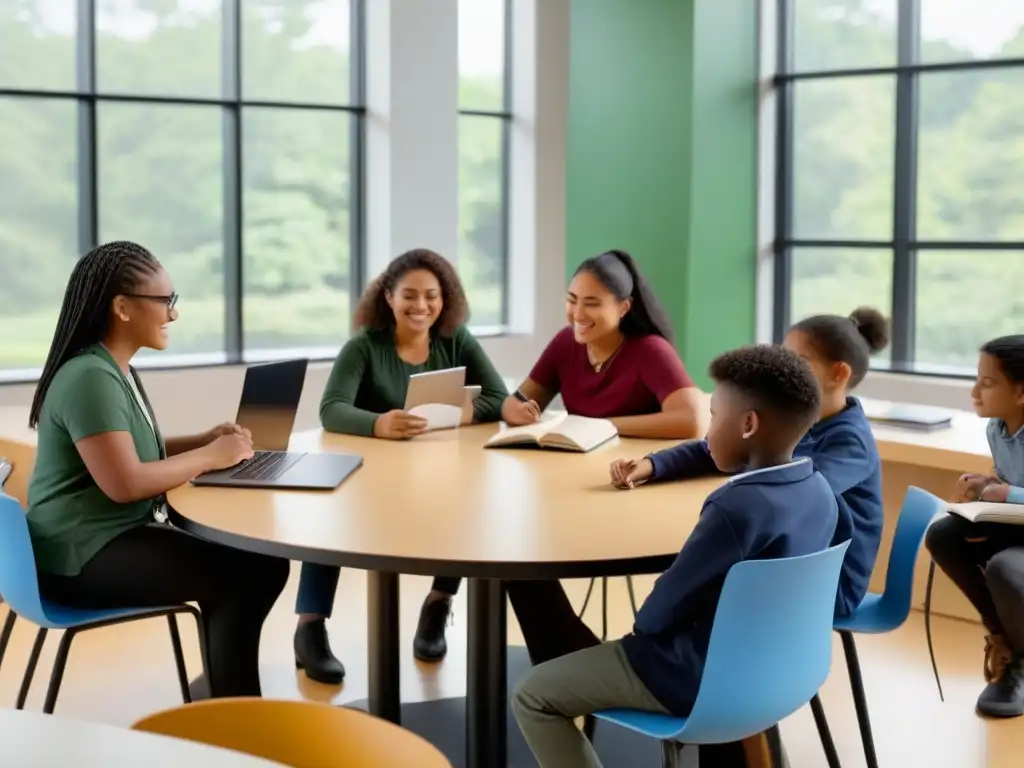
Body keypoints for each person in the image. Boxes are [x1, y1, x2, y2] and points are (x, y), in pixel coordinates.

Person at [511, 344, 838, 768]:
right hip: (779, 671)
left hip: (692, 677)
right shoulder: (819, 492)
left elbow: (654, 617)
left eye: (716, 415)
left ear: (748, 424)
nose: (707, 430)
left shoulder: (733, 509)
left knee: (533, 694)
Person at [26, 241, 289, 698]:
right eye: (165, 301)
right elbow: (125, 483)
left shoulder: (112, 368)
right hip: (79, 559)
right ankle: (235, 705)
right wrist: (211, 457)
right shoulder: (91, 377)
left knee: (258, 566)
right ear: (122, 307)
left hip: (93, 540)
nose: (173, 315)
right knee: (252, 572)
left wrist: (202, 441)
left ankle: (226, 693)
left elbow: (128, 452)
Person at [294, 248, 508, 682]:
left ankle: (437, 605)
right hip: (370, 478)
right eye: (409, 295)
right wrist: (378, 423)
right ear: (388, 297)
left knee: (468, 508)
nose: (422, 306)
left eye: (432, 295)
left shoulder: (456, 339)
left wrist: (458, 414)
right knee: (327, 514)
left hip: (439, 473)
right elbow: (331, 408)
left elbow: (500, 398)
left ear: (444, 299)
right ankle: (309, 627)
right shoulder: (364, 346)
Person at [610, 306, 889, 617]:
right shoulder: (804, 419)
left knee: (704, 582)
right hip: (784, 556)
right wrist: (653, 465)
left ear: (839, 374)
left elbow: (796, 495)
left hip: (827, 582)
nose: (786, 369)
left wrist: (732, 500)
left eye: (800, 362)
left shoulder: (850, 441)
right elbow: (714, 449)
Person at [501, 249, 703, 439]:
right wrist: (516, 411)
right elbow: (516, 400)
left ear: (624, 308)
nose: (578, 314)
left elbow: (693, 421)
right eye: (572, 300)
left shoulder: (651, 350)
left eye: (591, 304)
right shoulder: (565, 342)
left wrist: (602, 427)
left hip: (632, 467)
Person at [926, 335, 1024, 718]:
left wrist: (1004, 494)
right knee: (944, 535)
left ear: (1020, 394)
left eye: (987, 383)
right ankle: (1003, 638)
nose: (974, 392)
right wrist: (985, 489)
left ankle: (1019, 662)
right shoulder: (996, 429)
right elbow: (1009, 483)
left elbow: (1012, 492)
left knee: (1005, 568)